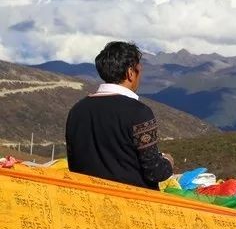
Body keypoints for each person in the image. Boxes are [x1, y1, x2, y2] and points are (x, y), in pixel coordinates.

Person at [66, 41, 174, 189]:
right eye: (139, 70)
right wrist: (167, 162)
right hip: (132, 203)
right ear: (130, 73)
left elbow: (74, 164)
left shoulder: (76, 111)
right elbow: (154, 171)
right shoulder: (139, 112)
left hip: (87, 200)